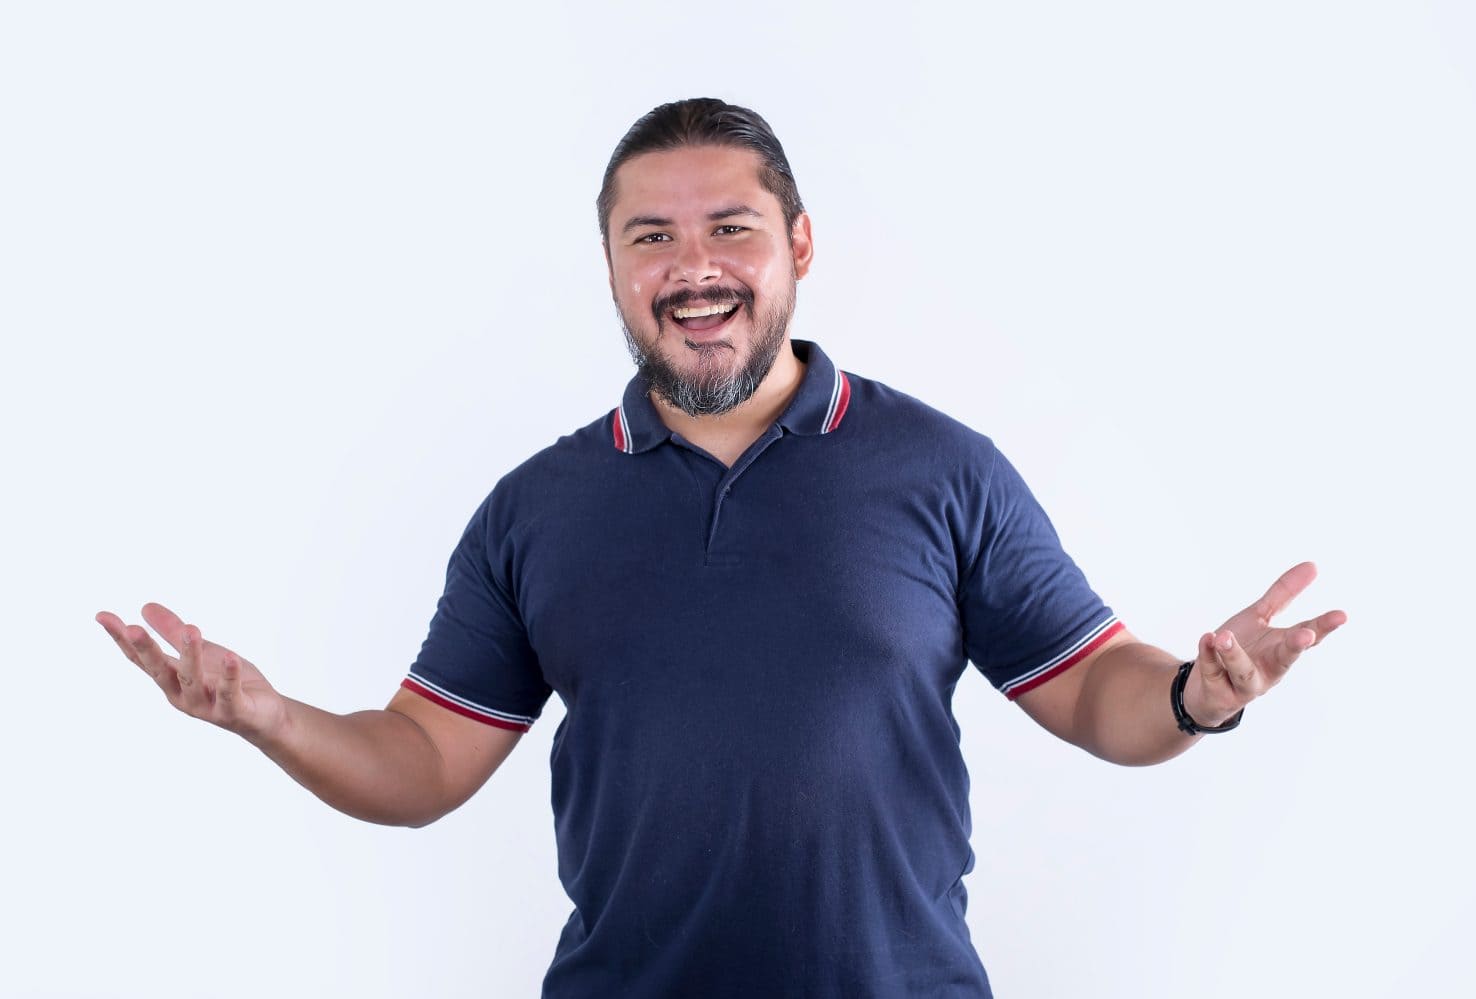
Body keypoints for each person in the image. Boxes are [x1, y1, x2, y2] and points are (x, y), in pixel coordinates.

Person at [96, 98, 1347, 997]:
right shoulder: (536, 508)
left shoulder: (942, 469)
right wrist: (271, 720)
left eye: (731, 229)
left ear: (797, 248)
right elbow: (422, 762)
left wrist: (1195, 695)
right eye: (651, 237)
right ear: (612, 268)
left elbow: (1092, 694)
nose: (692, 266)